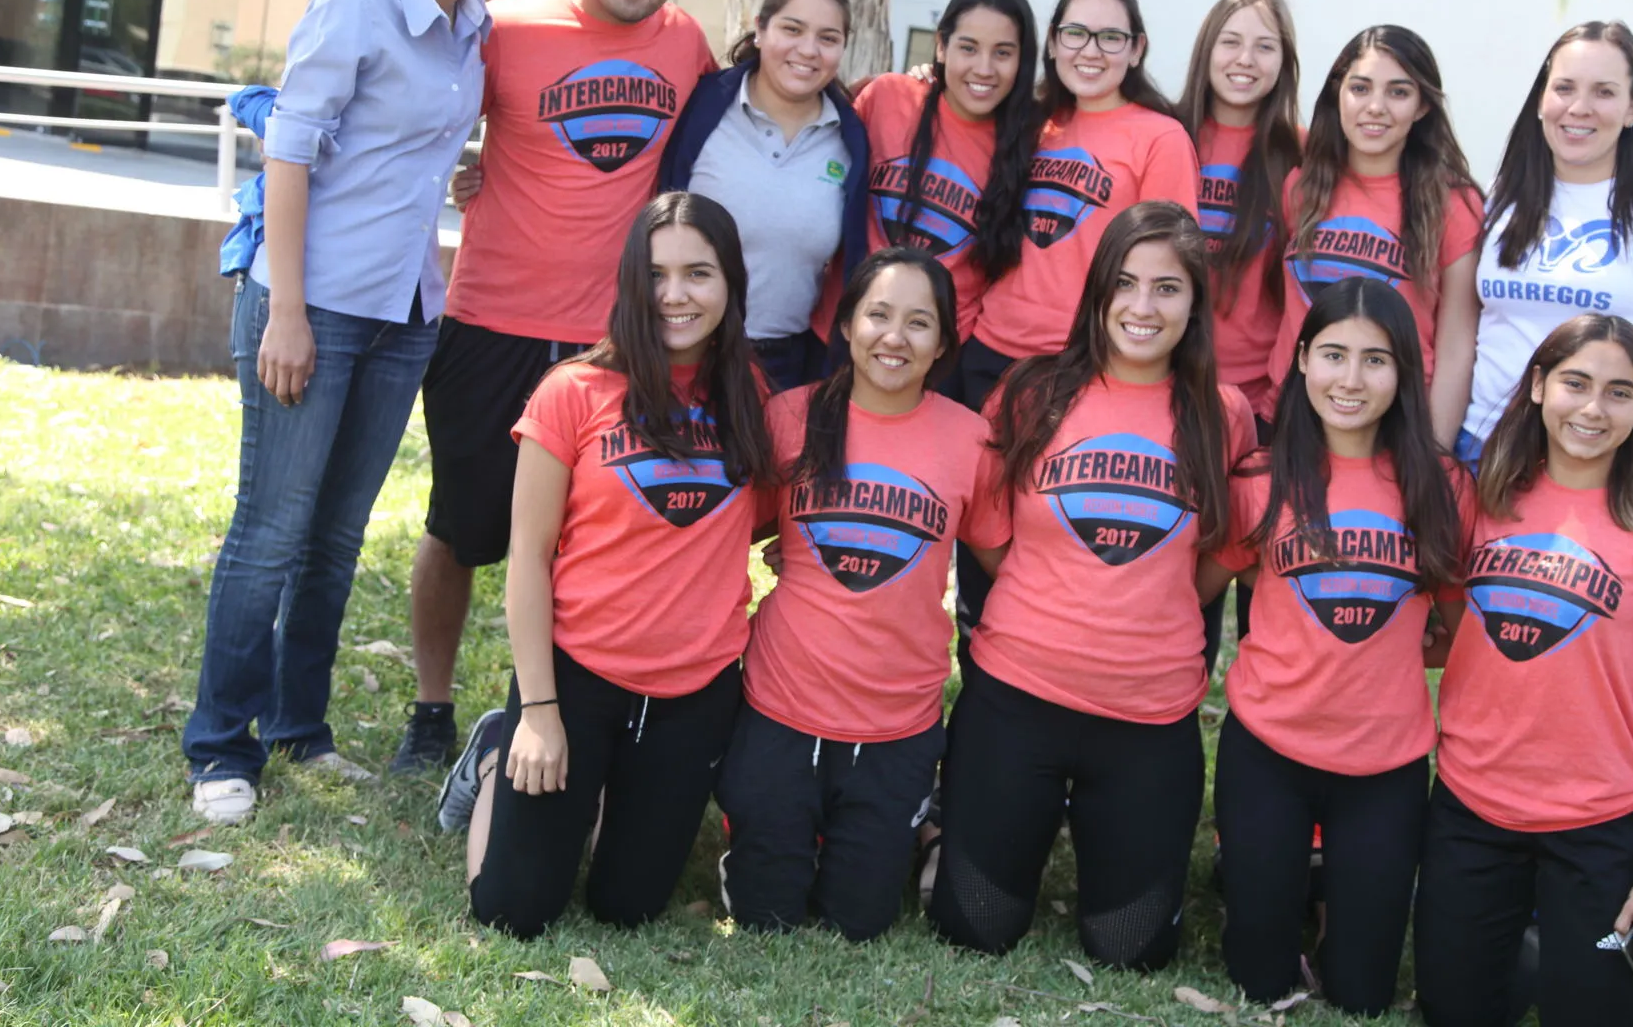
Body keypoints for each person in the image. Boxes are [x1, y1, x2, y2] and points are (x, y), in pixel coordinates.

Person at [183, 0, 518, 825]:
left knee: (334, 539)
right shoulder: (355, 3)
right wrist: (285, 305)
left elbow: (410, 150)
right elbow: (289, 152)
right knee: (270, 532)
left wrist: (459, 178)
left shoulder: (473, 24)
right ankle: (220, 745)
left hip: (405, 312)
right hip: (313, 303)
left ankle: (299, 726)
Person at [392, 0, 717, 777]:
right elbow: (427, 114)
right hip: (490, 320)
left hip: (610, 343)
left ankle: (540, 707)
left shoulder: (687, 45)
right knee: (459, 526)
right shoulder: (509, 27)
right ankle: (430, 708)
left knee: (586, 541)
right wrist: (467, 173)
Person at [437, 191, 776, 937]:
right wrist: (540, 712)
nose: (675, 295)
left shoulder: (748, 395)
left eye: (699, 274)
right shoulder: (572, 393)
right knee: (512, 912)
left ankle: (598, 799)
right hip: (576, 679)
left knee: (628, 908)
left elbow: (762, 520)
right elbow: (527, 557)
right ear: (629, 282)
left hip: (695, 691)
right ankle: (496, 756)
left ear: (731, 285)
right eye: (656, 275)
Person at [928, 202, 1256, 972]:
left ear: (1196, 304)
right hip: (1017, 697)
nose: (1143, 308)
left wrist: (1153, 606)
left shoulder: (1224, 415)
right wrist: (1052, 607)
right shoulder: (1032, 390)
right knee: (975, 928)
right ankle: (944, 836)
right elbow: (989, 532)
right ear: (1099, 293)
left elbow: (1215, 562)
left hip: (1147, 717)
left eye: (1168, 289)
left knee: (1130, 950)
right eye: (1126, 284)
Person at [1415, 315, 1633, 1027]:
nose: (1592, 409)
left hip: (1600, 819)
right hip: (1473, 805)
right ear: (1537, 386)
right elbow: (1452, 631)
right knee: (1453, 1013)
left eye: (1619, 393)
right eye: (1575, 384)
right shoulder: (1483, 502)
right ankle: (1541, 947)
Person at [717, 247, 1009, 940]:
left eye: (918, 323)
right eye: (878, 315)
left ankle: (905, 829)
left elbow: (1008, 565)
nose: (894, 337)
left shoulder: (969, 440)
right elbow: (732, 528)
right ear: (845, 324)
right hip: (781, 705)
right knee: (767, 915)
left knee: (859, 921)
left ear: (943, 343)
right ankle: (756, 830)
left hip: (895, 722)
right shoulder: (790, 417)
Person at [1204, 276, 1466, 1014]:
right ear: (1301, 360)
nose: (1351, 380)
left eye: (1375, 360)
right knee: (1258, 980)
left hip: (1384, 767)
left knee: (1362, 995)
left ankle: (1324, 887)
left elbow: (1451, 625)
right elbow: (1200, 586)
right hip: (1269, 752)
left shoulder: (1441, 487)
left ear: (1405, 373)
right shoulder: (1260, 477)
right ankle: (1270, 876)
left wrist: (1374, 661)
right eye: (1334, 356)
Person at [1461, 21, 1633, 469]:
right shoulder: (1496, 201)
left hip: (1612, 460)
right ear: (1541, 100)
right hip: (1482, 453)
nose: (1580, 107)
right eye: (1564, 88)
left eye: (1604, 93)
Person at [965, 0, 1201, 405]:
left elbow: (1172, 267)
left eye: (1110, 37)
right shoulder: (1027, 124)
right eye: (1075, 34)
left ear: (1136, 50)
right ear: (1053, 43)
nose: (1090, 51)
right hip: (987, 349)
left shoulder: (1160, 139)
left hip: (1080, 361)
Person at [809, 0, 1040, 392]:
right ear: (941, 45)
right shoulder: (886, 97)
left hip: (935, 360)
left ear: (1021, 61)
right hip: (840, 333)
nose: (983, 68)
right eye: (968, 47)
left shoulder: (1029, 145)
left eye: (1002, 53)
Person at [1269, 25, 1484, 450]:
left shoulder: (1453, 202)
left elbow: (1457, 342)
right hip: (1292, 420)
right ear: (1338, 94)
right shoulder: (1301, 185)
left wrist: (1434, 449)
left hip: (1392, 428)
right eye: (1360, 88)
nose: (1375, 107)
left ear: (1423, 106)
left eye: (1398, 92)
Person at [1171, 0, 1304, 669]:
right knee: (1162, 581)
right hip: (1169, 397)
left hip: (1258, 411)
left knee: (1257, 595)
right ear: (1205, 49)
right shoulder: (1166, 134)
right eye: (1231, 41)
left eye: (1264, 45)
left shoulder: (1302, 156)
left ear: (1286, 62)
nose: (1245, 59)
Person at [659, 0, 871, 391]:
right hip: (681, 351)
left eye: (828, 38)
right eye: (792, 29)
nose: (809, 50)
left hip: (787, 367)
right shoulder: (701, 106)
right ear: (760, 29)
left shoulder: (851, 140)